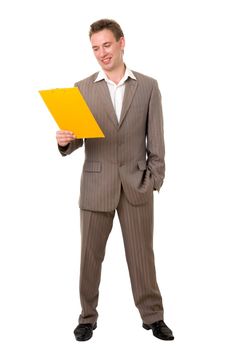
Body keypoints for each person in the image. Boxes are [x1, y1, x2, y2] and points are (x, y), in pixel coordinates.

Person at [56, 18, 174, 342]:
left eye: (106, 45)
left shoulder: (148, 87)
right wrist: (65, 140)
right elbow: (75, 140)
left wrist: (153, 180)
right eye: (95, 48)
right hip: (96, 185)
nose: (101, 53)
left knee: (142, 255)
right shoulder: (82, 88)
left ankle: (153, 316)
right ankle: (87, 317)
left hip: (137, 185)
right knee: (89, 257)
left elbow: (157, 142)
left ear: (122, 43)